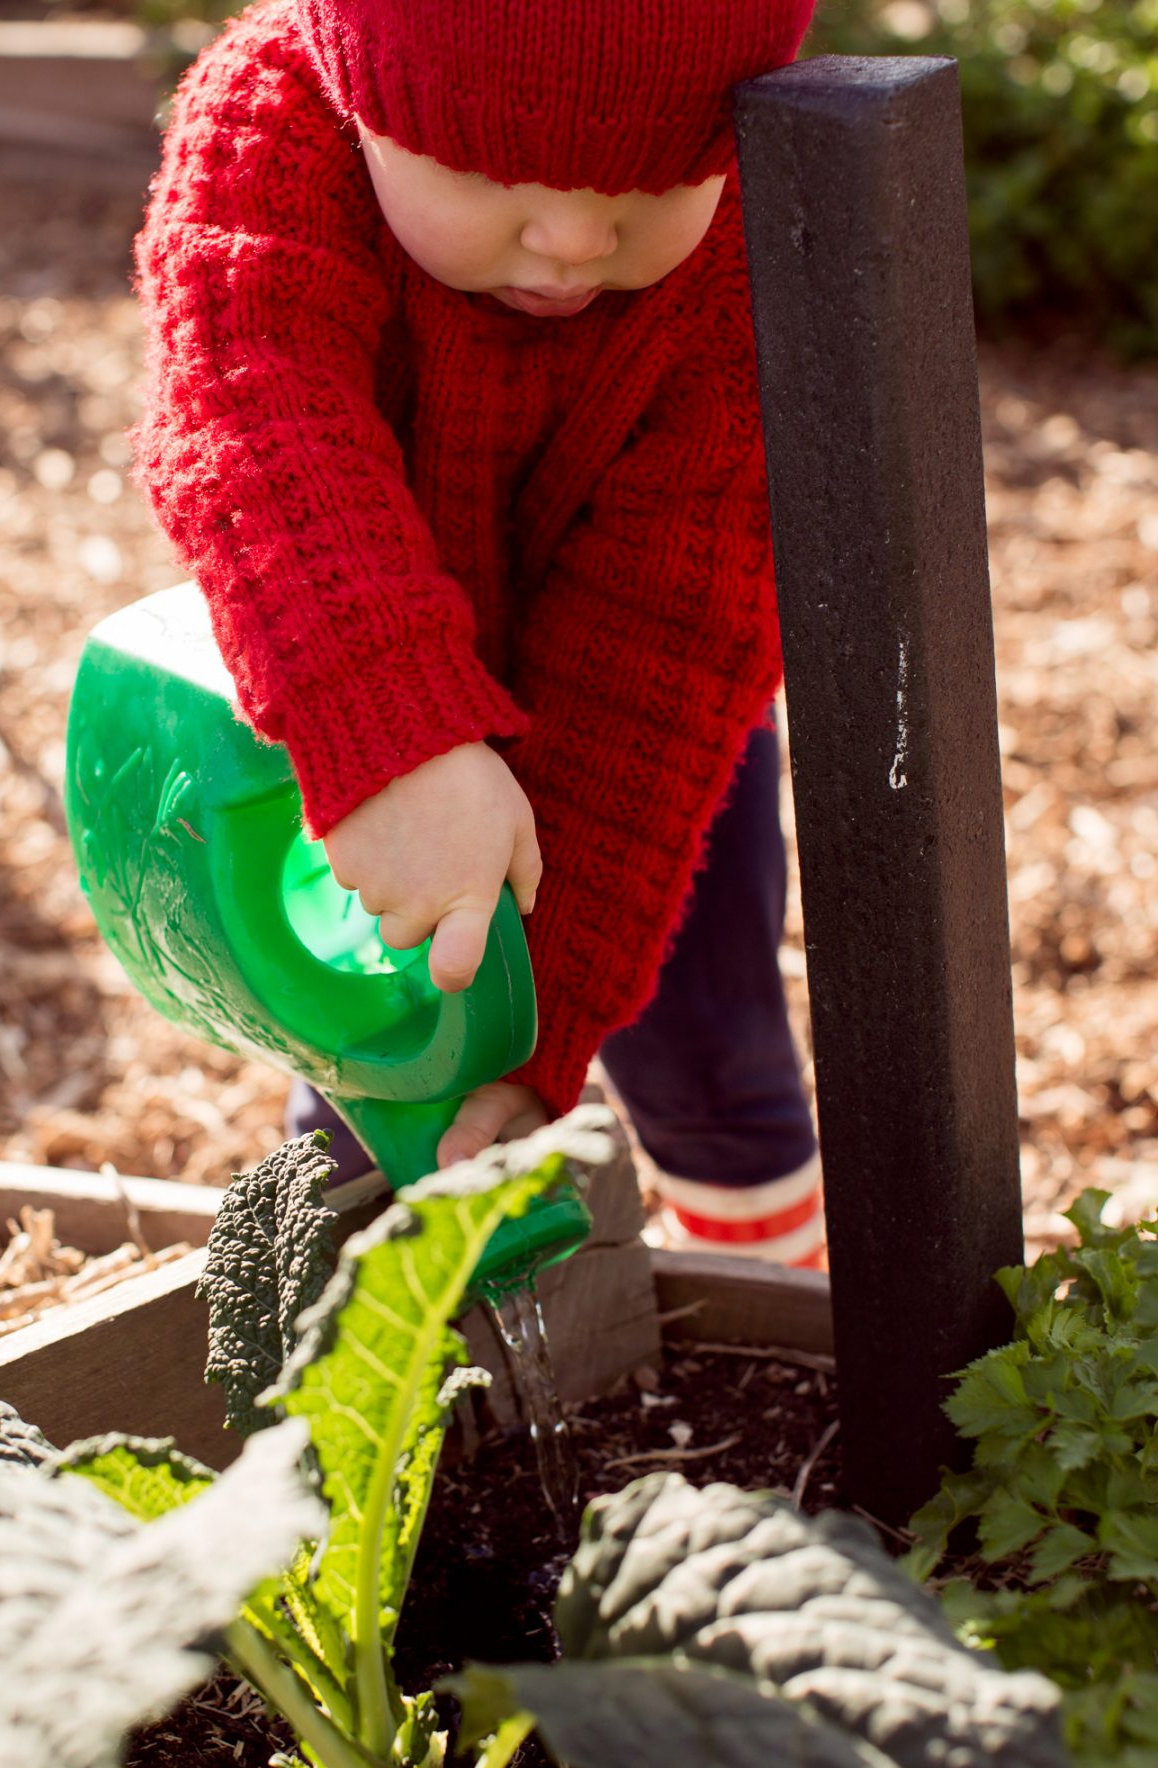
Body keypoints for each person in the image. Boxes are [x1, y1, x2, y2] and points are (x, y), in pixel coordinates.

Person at [132, 0, 824, 1265]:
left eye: (660, 177)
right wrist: (392, 740)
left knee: (710, 1044)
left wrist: (540, 1027)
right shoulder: (272, 123)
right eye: (494, 169)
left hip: (655, 744)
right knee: (383, 1043)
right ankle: (365, 1362)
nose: (571, 239)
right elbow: (255, 410)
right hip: (347, 684)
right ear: (359, 79)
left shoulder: (749, 237)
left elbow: (667, 633)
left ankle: (775, 1292)